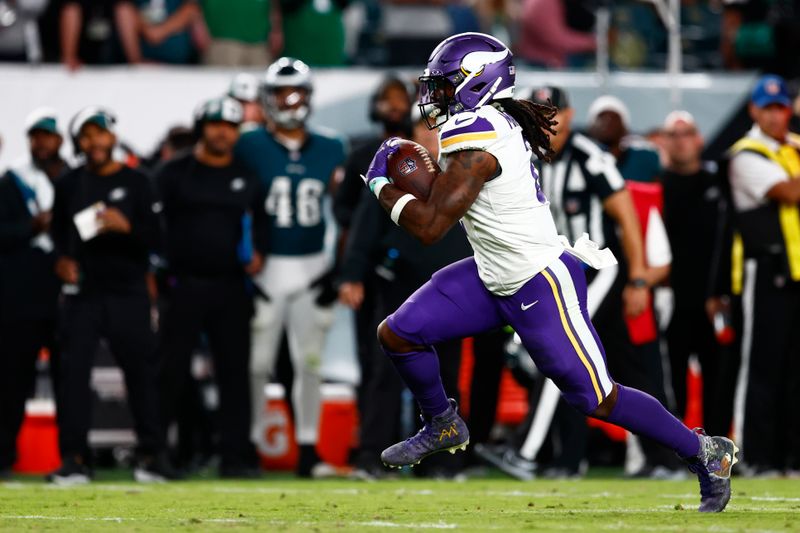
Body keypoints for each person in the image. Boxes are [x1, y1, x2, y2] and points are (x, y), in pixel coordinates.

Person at [361, 33, 737, 512]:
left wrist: (380, 183)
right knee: (399, 334)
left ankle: (705, 452)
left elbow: (431, 225)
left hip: (539, 280)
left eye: (446, 83)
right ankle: (443, 423)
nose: (435, 95)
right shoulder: (485, 123)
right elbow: (441, 198)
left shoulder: (479, 131)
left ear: (478, 81)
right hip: (491, 273)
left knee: (597, 398)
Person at [47, 107, 173, 484]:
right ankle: (74, 458)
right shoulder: (69, 184)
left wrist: (128, 227)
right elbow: (57, 237)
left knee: (142, 375)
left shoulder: (139, 182)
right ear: (77, 142)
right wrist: (60, 262)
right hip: (84, 293)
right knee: (73, 375)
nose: (94, 142)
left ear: (113, 137)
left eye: (99, 133)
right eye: (86, 135)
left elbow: (158, 240)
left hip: (129, 291)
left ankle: (152, 455)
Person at [236, 57, 348, 478]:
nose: (290, 100)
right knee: (256, 364)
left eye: (297, 91)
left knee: (310, 364)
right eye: (282, 92)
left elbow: (342, 213)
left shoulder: (332, 145)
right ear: (267, 99)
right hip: (265, 269)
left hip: (312, 266)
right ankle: (247, 445)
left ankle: (307, 449)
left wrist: (336, 268)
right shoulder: (249, 144)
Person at [155, 97, 268, 478]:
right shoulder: (172, 173)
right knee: (171, 371)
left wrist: (260, 253)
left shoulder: (247, 174)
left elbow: (260, 223)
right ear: (201, 126)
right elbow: (153, 229)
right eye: (216, 123)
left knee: (235, 373)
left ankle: (235, 456)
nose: (223, 131)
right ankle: (161, 453)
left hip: (231, 286)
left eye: (231, 125)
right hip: (182, 283)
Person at [727, 74, 800, 476]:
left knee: (793, 371)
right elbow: (788, 193)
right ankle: (754, 455)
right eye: (767, 108)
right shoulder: (747, 153)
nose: (775, 115)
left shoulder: (793, 148)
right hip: (764, 269)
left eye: (780, 106)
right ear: (754, 110)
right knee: (761, 367)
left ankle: (790, 457)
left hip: (797, 271)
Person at [0, 109, 68, 478]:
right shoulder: (11, 182)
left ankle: (73, 458)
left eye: (48, 136)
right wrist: (32, 226)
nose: (42, 143)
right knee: (12, 381)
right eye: (35, 136)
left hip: (65, 295)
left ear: (60, 140)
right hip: (20, 298)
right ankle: (3, 456)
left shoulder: (76, 179)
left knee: (69, 381)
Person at [661, 110, 735, 437]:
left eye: (687, 133)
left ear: (699, 139)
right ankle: (675, 448)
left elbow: (729, 242)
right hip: (668, 298)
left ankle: (718, 449)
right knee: (668, 379)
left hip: (711, 300)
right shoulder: (655, 186)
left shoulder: (720, 184)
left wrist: (722, 292)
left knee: (718, 380)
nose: (681, 141)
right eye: (673, 135)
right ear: (664, 142)